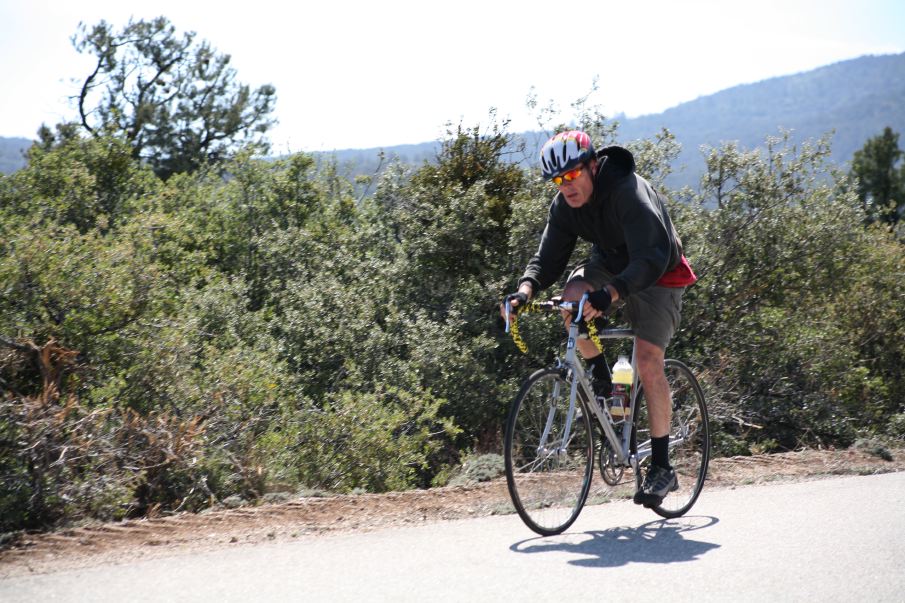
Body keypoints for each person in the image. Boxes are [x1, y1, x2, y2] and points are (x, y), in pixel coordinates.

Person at [501, 130, 697, 507]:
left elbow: (652, 257)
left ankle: (661, 467)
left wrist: (610, 294)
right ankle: (603, 379)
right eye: (557, 181)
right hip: (612, 264)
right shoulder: (565, 205)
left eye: (572, 175)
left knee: (647, 361)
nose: (566, 186)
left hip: (658, 271)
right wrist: (524, 291)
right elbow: (547, 259)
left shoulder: (627, 192)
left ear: (592, 166)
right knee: (571, 299)